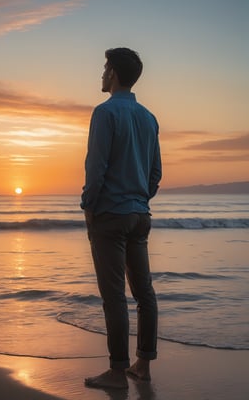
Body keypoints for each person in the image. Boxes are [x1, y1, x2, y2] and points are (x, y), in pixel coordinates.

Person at [81, 47, 162, 390]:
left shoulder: (104, 113)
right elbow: (155, 173)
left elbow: (96, 168)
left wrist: (89, 207)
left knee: (113, 296)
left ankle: (116, 372)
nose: (101, 74)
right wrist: (139, 198)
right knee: (144, 292)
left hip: (110, 215)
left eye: (104, 68)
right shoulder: (148, 117)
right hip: (139, 215)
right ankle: (142, 364)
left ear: (113, 73)